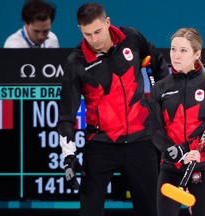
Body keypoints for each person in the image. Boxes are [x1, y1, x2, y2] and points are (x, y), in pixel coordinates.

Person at [57, 2, 169, 216]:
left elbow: (158, 62)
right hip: (100, 145)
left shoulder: (132, 38)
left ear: (107, 22)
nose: (94, 39)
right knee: (89, 211)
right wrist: (68, 156)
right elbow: (66, 115)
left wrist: (164, 98)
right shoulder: (76, 62)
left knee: (152, 210)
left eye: (98, 31)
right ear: (80, 30)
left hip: (141, 141)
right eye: (87, 34)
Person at [148, 28, 205, 216]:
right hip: (171, 169)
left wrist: (196, 149)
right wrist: (179, 154)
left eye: (183, 50)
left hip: (203, 168)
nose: (176, 55)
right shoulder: (160, 88)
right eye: (173, 49)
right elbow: (157, 132)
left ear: (197, 54)